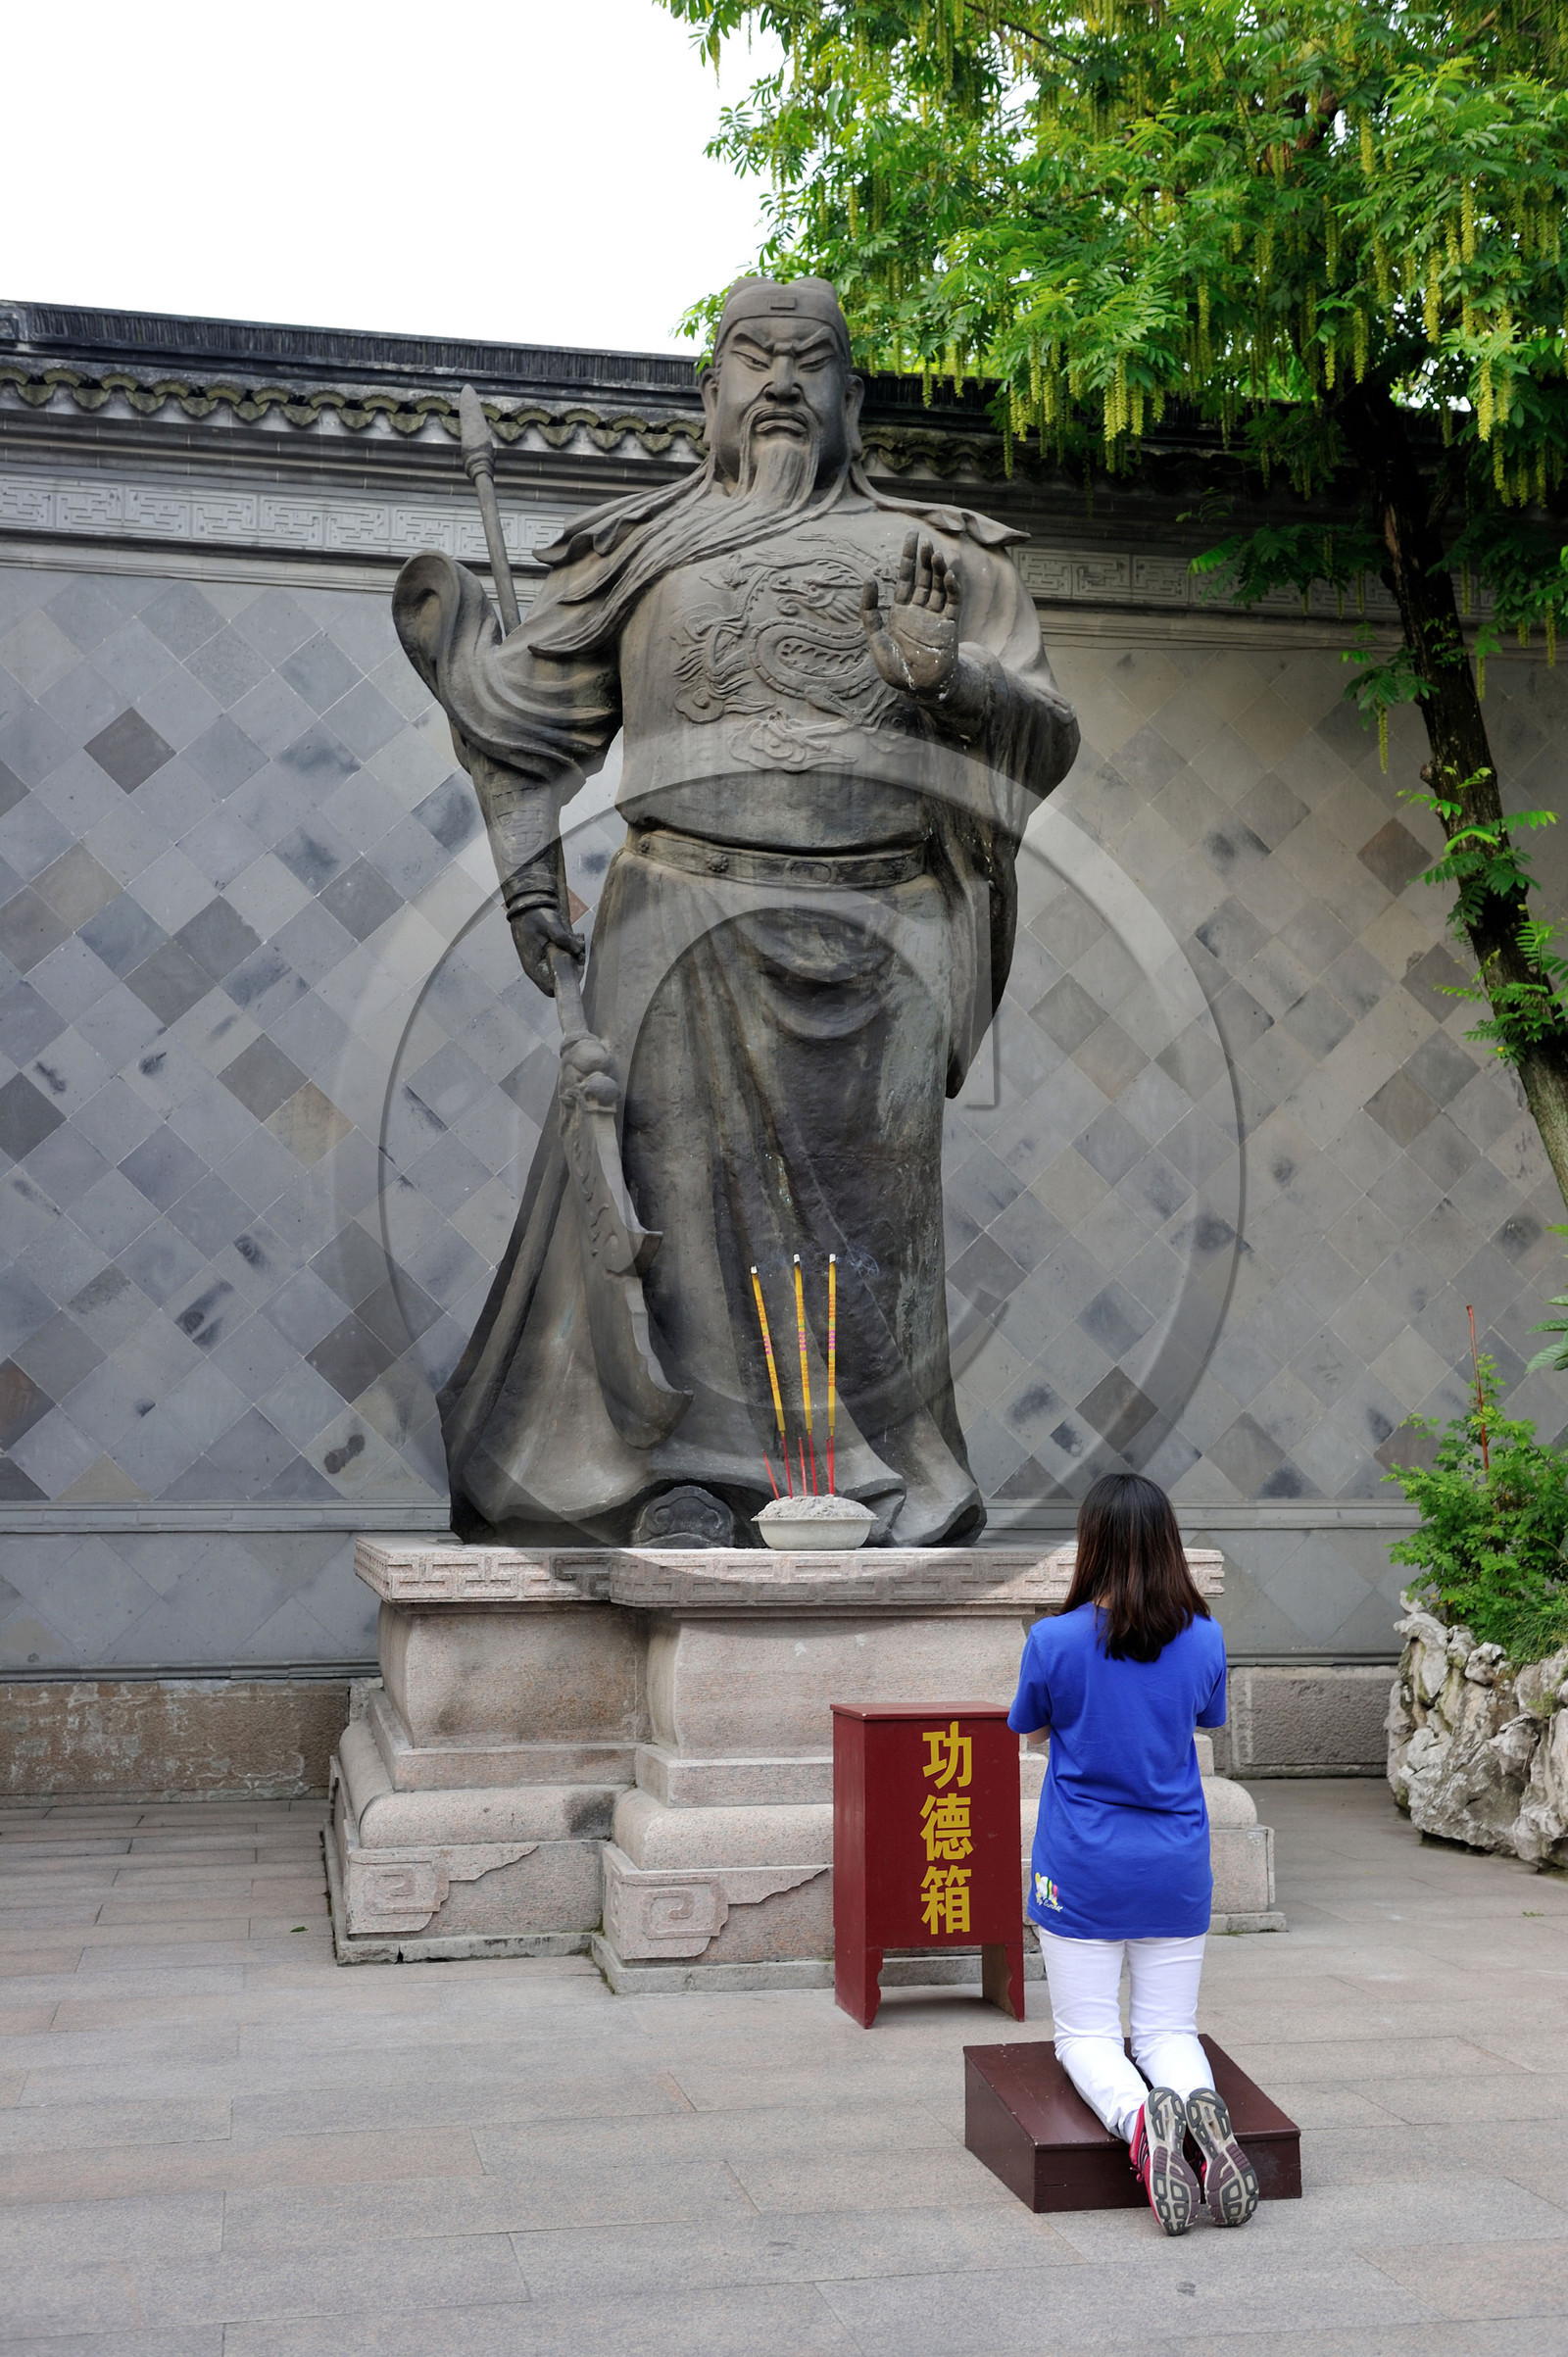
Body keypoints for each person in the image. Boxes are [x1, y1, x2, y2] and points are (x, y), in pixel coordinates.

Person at [393, 275, 1079, 1548]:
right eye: (752, 359)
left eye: (809, 362)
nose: (780, 384)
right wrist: (515, 809)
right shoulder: (641, 549)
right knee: (670, 1208)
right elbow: (528, 726)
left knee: (870, 1237)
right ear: (708, 394)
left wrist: (955, 680)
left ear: (851, 398)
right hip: (676, 929)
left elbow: (1043, 741)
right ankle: (684, 1477)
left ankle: (882, 1481)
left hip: (876, 942)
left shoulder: (945, 559)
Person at [1007, 1472, 1259, 2235]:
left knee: (1086, 2034)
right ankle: (1204, 2113)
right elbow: (1201, 1720)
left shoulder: (1052, 1640)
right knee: (1166, 2030)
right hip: (1176, 1861)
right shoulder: (1207, 1636)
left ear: (1091, 1545)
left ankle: (1138, 2120)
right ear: (1167, 1544)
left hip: (1081, 1864)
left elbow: (1031, 1730)